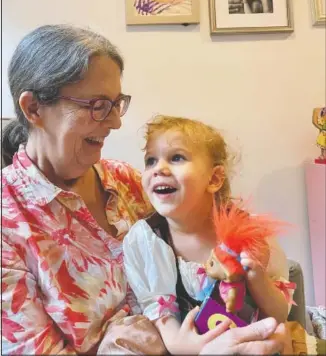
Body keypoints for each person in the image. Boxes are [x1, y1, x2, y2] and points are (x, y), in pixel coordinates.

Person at [2, 24, 291, 355]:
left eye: (116, 103)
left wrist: (269, 322)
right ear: (34, 109)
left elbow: (217, 246)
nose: (115, 123)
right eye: (97, 105)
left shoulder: (126, 181)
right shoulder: (8, 222)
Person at [123, 115, 294, 355]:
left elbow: (278, 315)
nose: (159, 169)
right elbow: (162, 318)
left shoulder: (249, 233)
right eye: (150, 161)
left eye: (176, 158)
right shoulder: (146, 240)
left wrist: (258, 280)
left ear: (214, 179)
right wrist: (186, 347)